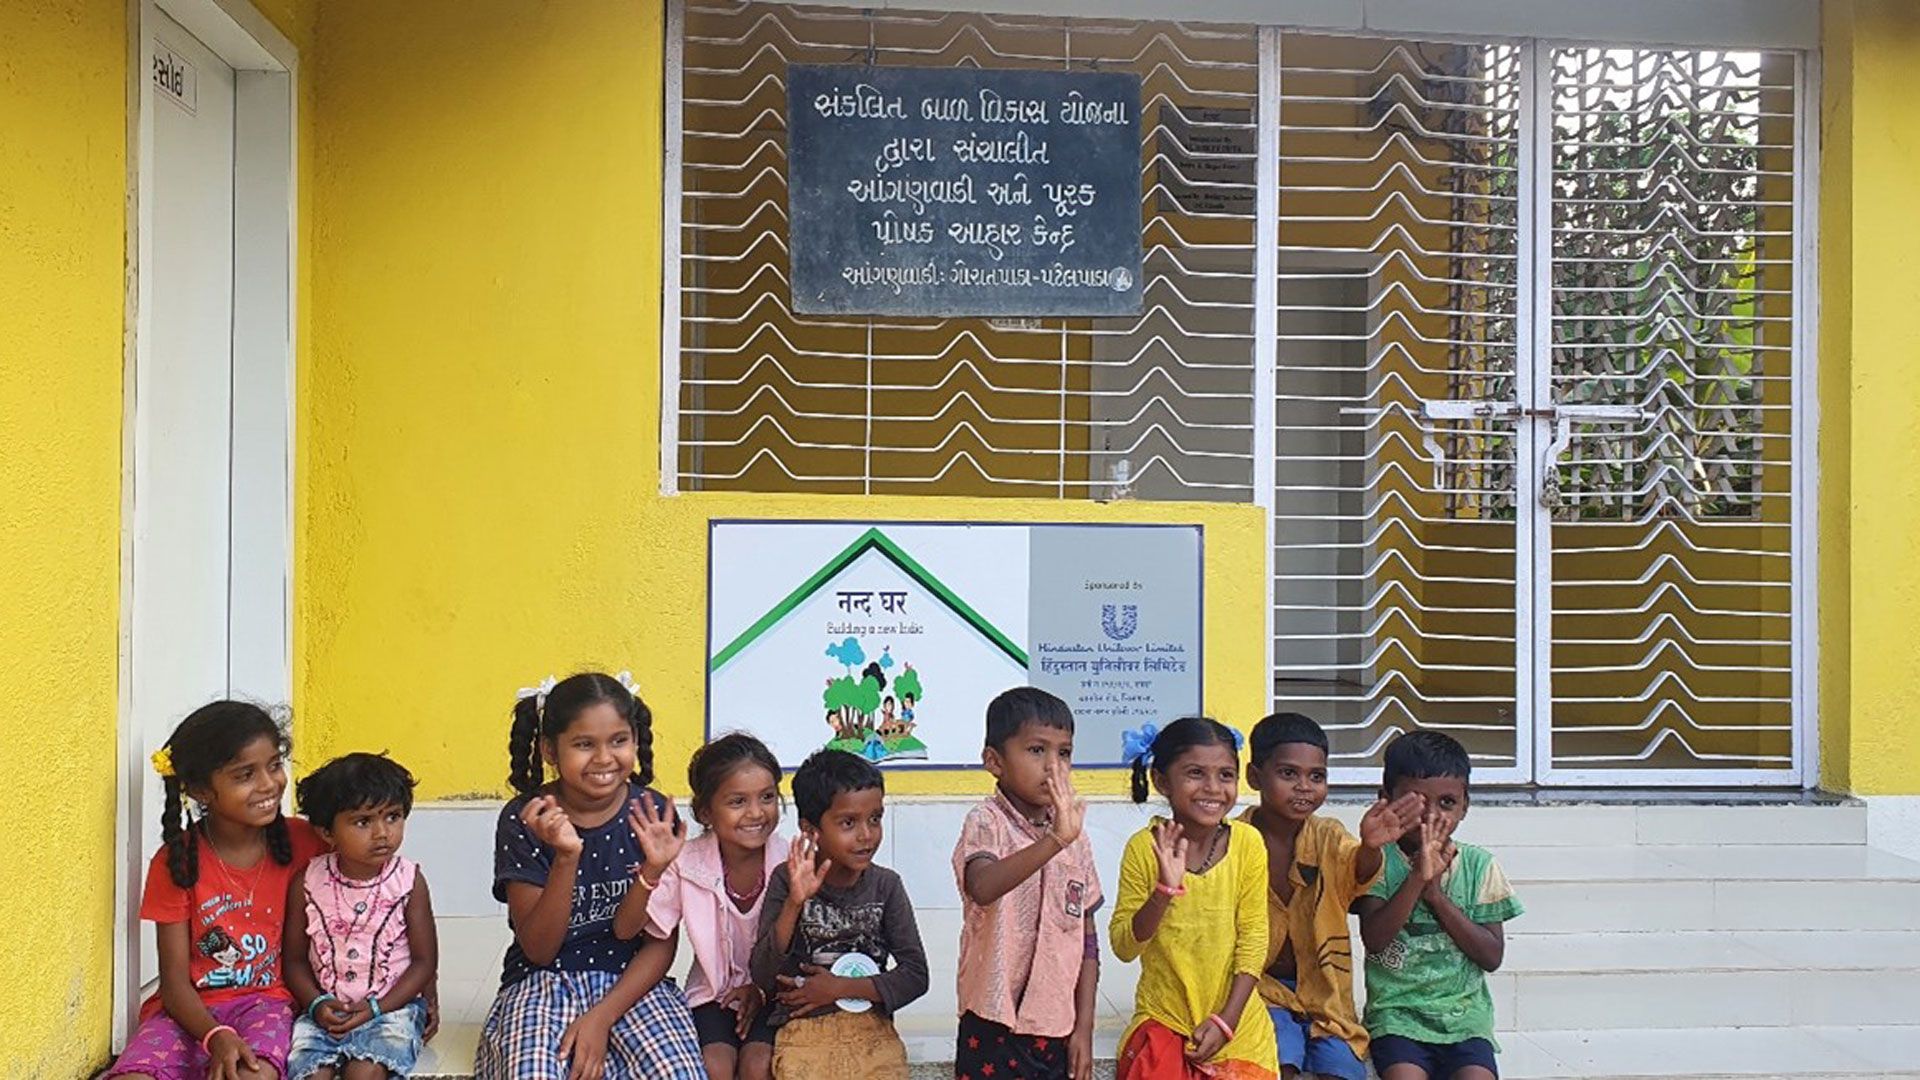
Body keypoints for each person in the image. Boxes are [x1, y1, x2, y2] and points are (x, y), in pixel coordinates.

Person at [474, 672, 705, 1080]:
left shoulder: (652, 816)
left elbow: (659, 945)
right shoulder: (525, 819)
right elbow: (540, 950)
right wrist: (566, 857)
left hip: (632, 983)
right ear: (549, 750)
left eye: (618, 740)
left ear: (635, 739)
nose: (604, 758)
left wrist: (601, 1018)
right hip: (541, 981)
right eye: (584, 744)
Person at [105, 701, 328, 1080]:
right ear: (200, 790)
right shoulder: (176, 861)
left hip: (267, 1004)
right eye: (245, 775)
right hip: (187, 1012)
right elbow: (174, 984)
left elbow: (375, 897)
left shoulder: (306, 842)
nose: (269, 784)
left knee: (251, 1075)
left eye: (274, 765)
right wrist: (214, 1034)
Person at [1239, 714, 1421, 1080]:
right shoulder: (1236, 841)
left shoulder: (1328, 835)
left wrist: (1371, 847)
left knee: (1340, 1067)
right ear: (1255, 776)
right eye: (1288, 774)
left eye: (1316, 776)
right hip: (1260, 991)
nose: (1304, 787)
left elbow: (1356, 875)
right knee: (1277, 1063)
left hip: (1325, 995)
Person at [1110, 717, 1277, 1080]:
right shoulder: (1144, 849)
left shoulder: (1248, 844)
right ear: (1161, 781)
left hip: (1238, 1025)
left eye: (1225, 775)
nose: (1213, 788)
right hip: (1165, 1019)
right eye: (1196, 773)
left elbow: (1253, 939)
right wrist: (1162, 894)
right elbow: (1123, 946)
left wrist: (1225, 1022)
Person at [951, 687, 1101, 1080]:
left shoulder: (1076, 837)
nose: (1054, 767)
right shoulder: (986, 822)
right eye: (1037, 751)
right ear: (994, 761)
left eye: (1064, 753)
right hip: (991, 1022)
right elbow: (982, 886)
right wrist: (1054, 842)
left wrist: (1084, 1026)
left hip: (1055, 1025)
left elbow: (1086, 937)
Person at [1356, 732, 1524, 1080]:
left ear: (1465, 805)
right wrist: (1418, 878)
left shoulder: (1479, 865)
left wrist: (1435, 895)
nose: (1432, 816)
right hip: (1397, 1016)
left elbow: (1491, 956)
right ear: (1386, 799)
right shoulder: (1377, 860)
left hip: (1465, 1020)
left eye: (1447, 803)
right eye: (1417, 803)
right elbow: (1374, 938)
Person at [751, 749, 928, 1079]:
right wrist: (794, 902)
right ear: (810, 829)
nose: (866, 835)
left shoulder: (886, 886)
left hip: (871, 1029)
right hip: (802, 1030)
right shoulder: (786, 879)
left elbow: (916, 975)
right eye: (849, 822)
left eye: (875, 818)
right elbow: (762, 974)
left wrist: (840, 988)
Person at [639, 733, 790, 1080]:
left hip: (777, 993)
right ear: (706, 811)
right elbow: (645, 927)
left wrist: (763, 989)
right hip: (713, 995)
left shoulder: (791, 860)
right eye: (737, 801)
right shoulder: (687, 861)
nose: (756, 813)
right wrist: (652, 869)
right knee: (714, 1068)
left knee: (758, 1066)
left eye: (767, 797)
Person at [283, 752, 437, 1080]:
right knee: (312, 1075)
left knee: (363, 1073)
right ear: (326, 832)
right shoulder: (308, 881)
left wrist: (378, 1008)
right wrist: (316, 1004)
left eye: (393, 816)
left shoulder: (408, 881)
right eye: (363, 821)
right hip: (323, 1010)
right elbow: (294, 960)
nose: (382, 833)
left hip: (392, 1009)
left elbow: (425, 962)